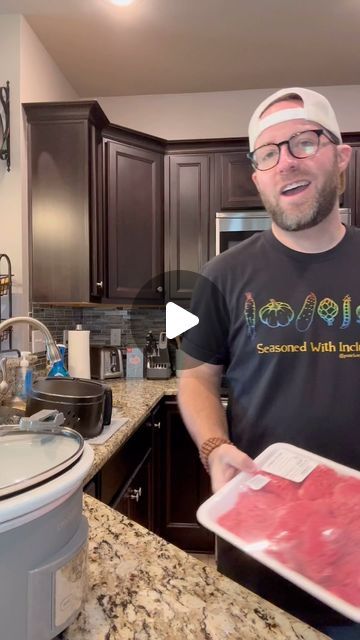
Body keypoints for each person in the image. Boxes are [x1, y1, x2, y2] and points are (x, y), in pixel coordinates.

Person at [177, 87, 360, 639]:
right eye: (269, 153)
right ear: (256, 175)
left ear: (341, 154)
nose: (287, 161)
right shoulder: (214, 275)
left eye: (305, 142)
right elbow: (193, 377)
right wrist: (214, 448)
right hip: (259, 539)